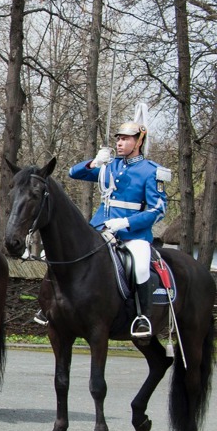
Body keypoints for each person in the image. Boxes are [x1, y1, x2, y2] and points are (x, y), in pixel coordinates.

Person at [69, 104, 167, 337]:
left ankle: (142, 317)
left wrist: (127, 223)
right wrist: (94, 162)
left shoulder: (151, 171)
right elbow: (73, 173)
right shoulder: (109, 166)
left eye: (125, 139)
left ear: (138, 141)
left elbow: (158, 209)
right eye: (119, 139)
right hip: (100, 229)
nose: (120, 143)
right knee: (69, 254)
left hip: (133, 234)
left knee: (141, 266)